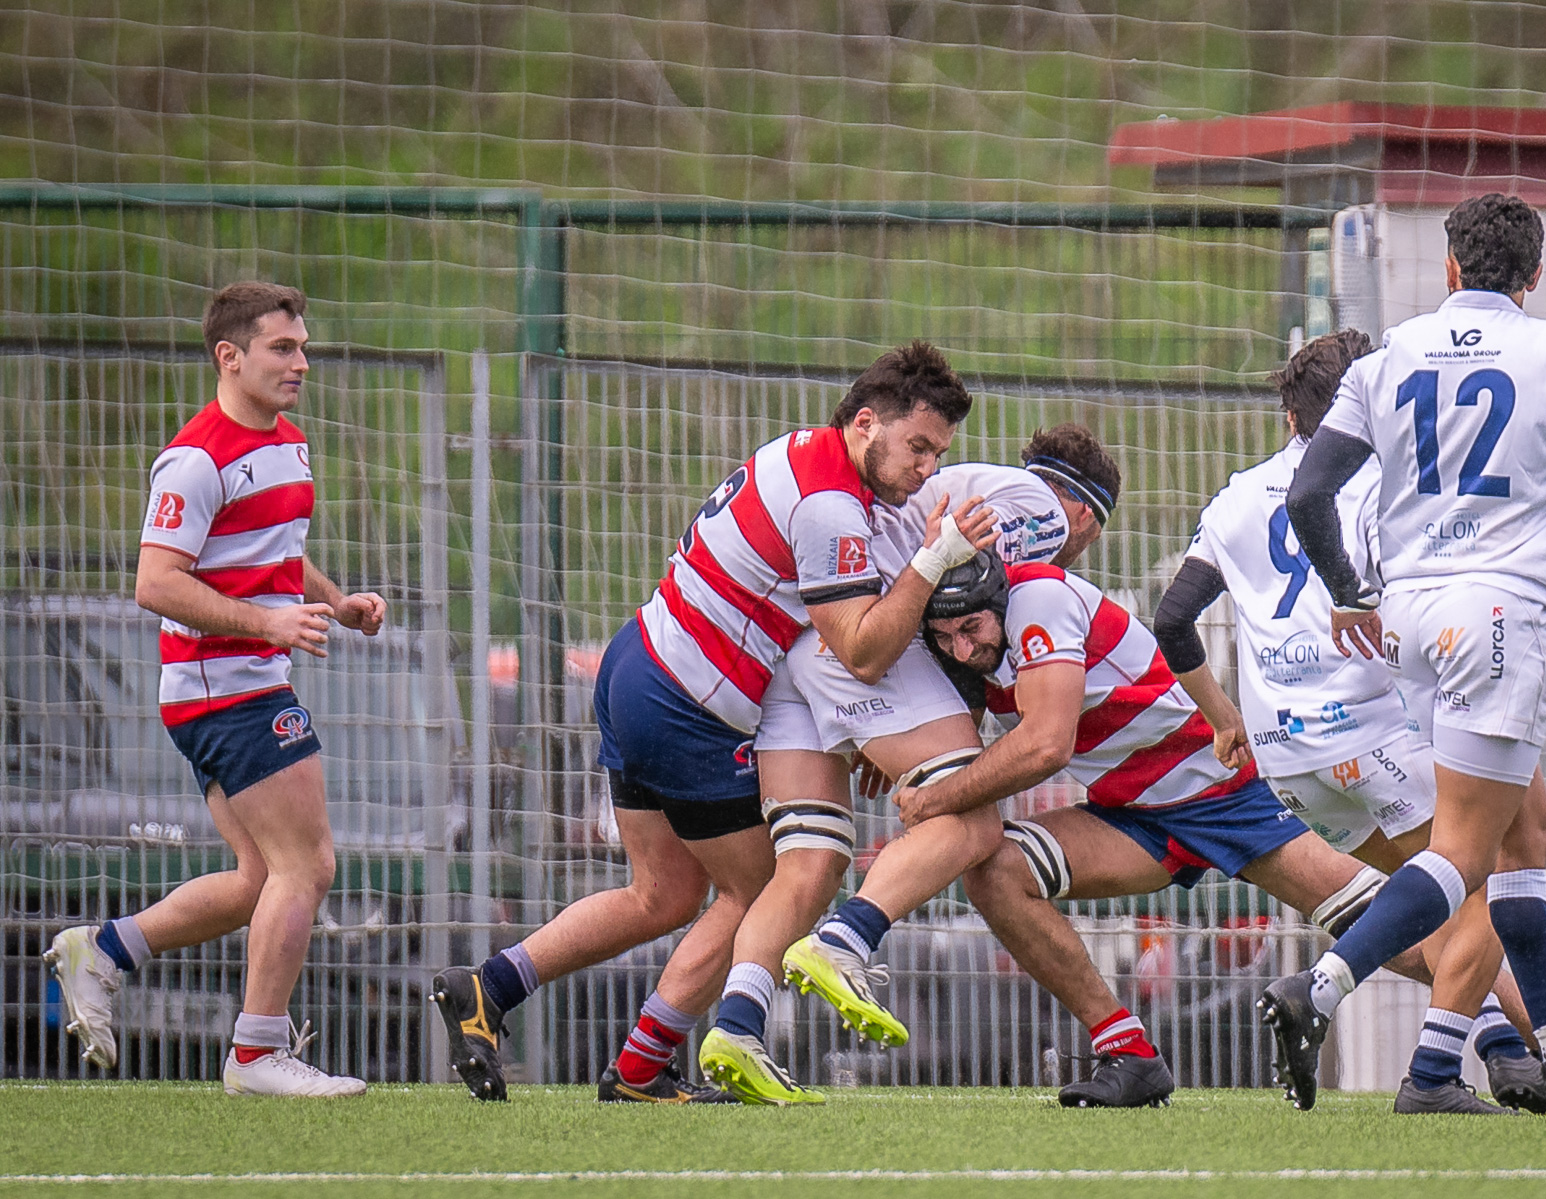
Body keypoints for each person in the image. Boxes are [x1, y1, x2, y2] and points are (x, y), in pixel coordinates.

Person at [429, 340, 995, 1102]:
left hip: (635, 664)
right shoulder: (830, 505)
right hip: (685, 708)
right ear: (866, 423)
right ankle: (641, 1065)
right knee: (770, 888)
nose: (928, 468)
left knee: (659, 895)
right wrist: (935, 562)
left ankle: (489, 985)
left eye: (939, 453)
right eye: (919, 446)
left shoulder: (799, 450)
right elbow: (860, 651)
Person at [1258, 193, 1546, 1115]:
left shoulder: (1389, 354)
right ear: (1532, 277)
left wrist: (1353, 595)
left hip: (1409, 620)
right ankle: (1318, 988)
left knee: (1527, 833)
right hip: (1497, 620)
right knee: (1466, 852)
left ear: (1448, 268)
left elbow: (1311, 495)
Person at [1153, 329, 1544, 1114]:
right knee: (1499, 863)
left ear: (1289, 418)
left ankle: (1511, 1050)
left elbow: (1171, 620)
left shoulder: (1233, 497)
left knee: (1427, 899)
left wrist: (1223, 716)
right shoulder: (1381, 488)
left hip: (1287, 760)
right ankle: (1477, 1062)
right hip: (1373, 732)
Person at [897, 552, 1438, 1109]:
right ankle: (1127, 1051)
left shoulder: (1040, 599)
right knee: (998, 870)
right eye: (944, 636)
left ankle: (1513, 1040)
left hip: (1223, 793)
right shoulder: (980, 647)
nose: (962, 648)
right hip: (1134, 815)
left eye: (970, 628)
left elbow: (1044, 746)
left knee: (1402, 936)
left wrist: (933, 798)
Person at [698, 428, 1121, 1104]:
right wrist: (924, 754)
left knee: (809, 862)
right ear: (1078, 510)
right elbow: (956, 609)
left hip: (800, 658)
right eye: (1091, 533)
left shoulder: (983, 493)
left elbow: (945, 630)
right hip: (861, 651)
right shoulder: (1039, 515)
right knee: (975, 819)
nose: (1081, 550)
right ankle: (846, 939)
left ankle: (738, 1025)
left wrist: (890, 730)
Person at [45, 282, 376, 1097]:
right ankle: (256, 1055)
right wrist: (267, 626)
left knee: (260, 878)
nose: (300, 362)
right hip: (222, 686)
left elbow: (275, 551)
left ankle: (104, 949)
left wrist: (333, 599)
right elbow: (155, 582)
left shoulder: (290, 443)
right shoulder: (195, 458)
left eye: (302, 347)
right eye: (282, 348)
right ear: (230, 356)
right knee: (310, 865)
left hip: (243, 680)